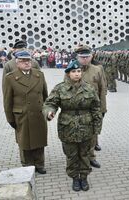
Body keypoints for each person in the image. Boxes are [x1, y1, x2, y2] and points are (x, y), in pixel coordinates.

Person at [43, 60, 102, 191]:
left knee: (85, 154)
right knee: (71, 154)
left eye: (79, 71)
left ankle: (84, 177)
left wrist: (97, 128)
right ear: (68, 73)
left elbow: (96, 108)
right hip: (67, 127)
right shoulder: (60, 88)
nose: (77, 74)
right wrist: (49, 112)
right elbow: (50, 103)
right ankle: (75, 177)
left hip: (86, 126)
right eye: (73, 71)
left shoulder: (89, 88)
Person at [3, 50, 48, 174]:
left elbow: (45, 95)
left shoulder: (39, 74)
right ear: (17, 63)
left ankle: (40, 164)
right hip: (22, 115)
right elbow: (7, 100)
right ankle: (27, 165)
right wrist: (10, 119)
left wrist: (47, 110)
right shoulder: (11, 78)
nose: (27, 63)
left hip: (38, 113)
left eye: (28, 60)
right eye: (23, 61)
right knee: (25, 142)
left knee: (39, 140)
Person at [74, 44, 107, 168]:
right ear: (77, 57)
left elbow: (102, 90)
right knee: (78, 134)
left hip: (93, 109)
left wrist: (102, 108)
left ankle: (91, 156)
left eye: (87, 57)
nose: (85, 59)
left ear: (91, 56)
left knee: (93, 134)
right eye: (82, 57)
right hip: (78, 110)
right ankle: (78, 157)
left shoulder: (97, 69)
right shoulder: (72, 70)